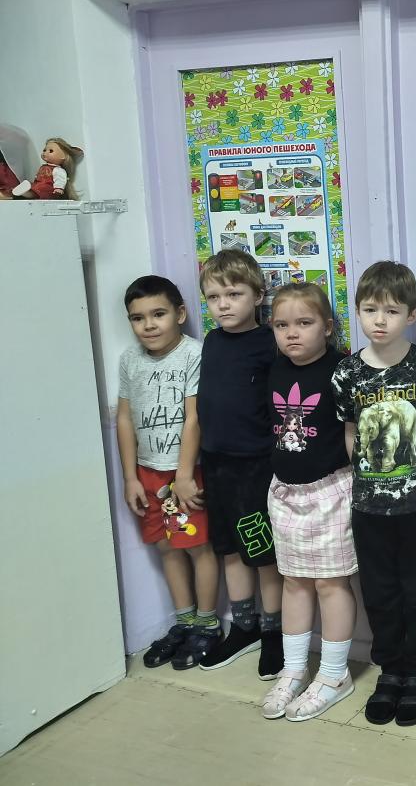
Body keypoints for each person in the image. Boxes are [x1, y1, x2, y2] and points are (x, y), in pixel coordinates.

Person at [331, 261, 416, 727]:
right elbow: (350, 433)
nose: (380, 320)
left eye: (392, 311)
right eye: (370, 310)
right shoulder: (347, 372)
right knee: (379, 593)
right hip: (369, 507)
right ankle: (390, 671)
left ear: (411, 315)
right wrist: (367, 481)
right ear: (357, 312)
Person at [259, 283, 358, 722]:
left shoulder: (342, 370)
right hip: (285, 493)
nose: (292, 333)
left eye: (304, 323)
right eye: (282, 325)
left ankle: (335, 674)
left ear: (328, 327)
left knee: (330, 583)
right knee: (294, 581)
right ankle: (294, 668)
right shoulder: (274, 370)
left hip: (330, 492)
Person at [116, 276, 220, 669]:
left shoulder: (195, 354)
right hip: (147, 474)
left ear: (179, 314)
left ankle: (207, 624)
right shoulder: (129, 360)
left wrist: (184, 476)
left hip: (186, 474)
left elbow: (194, 418)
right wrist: (130, 477)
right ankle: (185, 621)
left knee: (196, 546)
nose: (149, 325)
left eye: (158, 314)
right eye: (137, 318)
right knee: (165, 546)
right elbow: (124, 419)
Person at [195, 249, 285, 678]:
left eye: (233, 294)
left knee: (262, 554)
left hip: (256, 466)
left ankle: (273, 632)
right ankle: (244, 626)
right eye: (214, 297)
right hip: (216, 464)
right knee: (229, 549)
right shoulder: (211, 342)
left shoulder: (270, 343)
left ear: (258, 296)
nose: (223, 305)